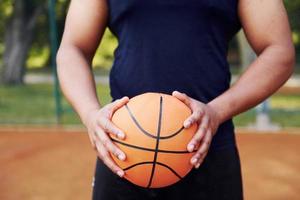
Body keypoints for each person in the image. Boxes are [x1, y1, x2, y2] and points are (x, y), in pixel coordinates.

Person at [56, 0, 295, 199]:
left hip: (206, 149)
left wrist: (216, 112)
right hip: (122, 152)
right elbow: (73, 48)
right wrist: (90, 114)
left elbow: (278, 49)